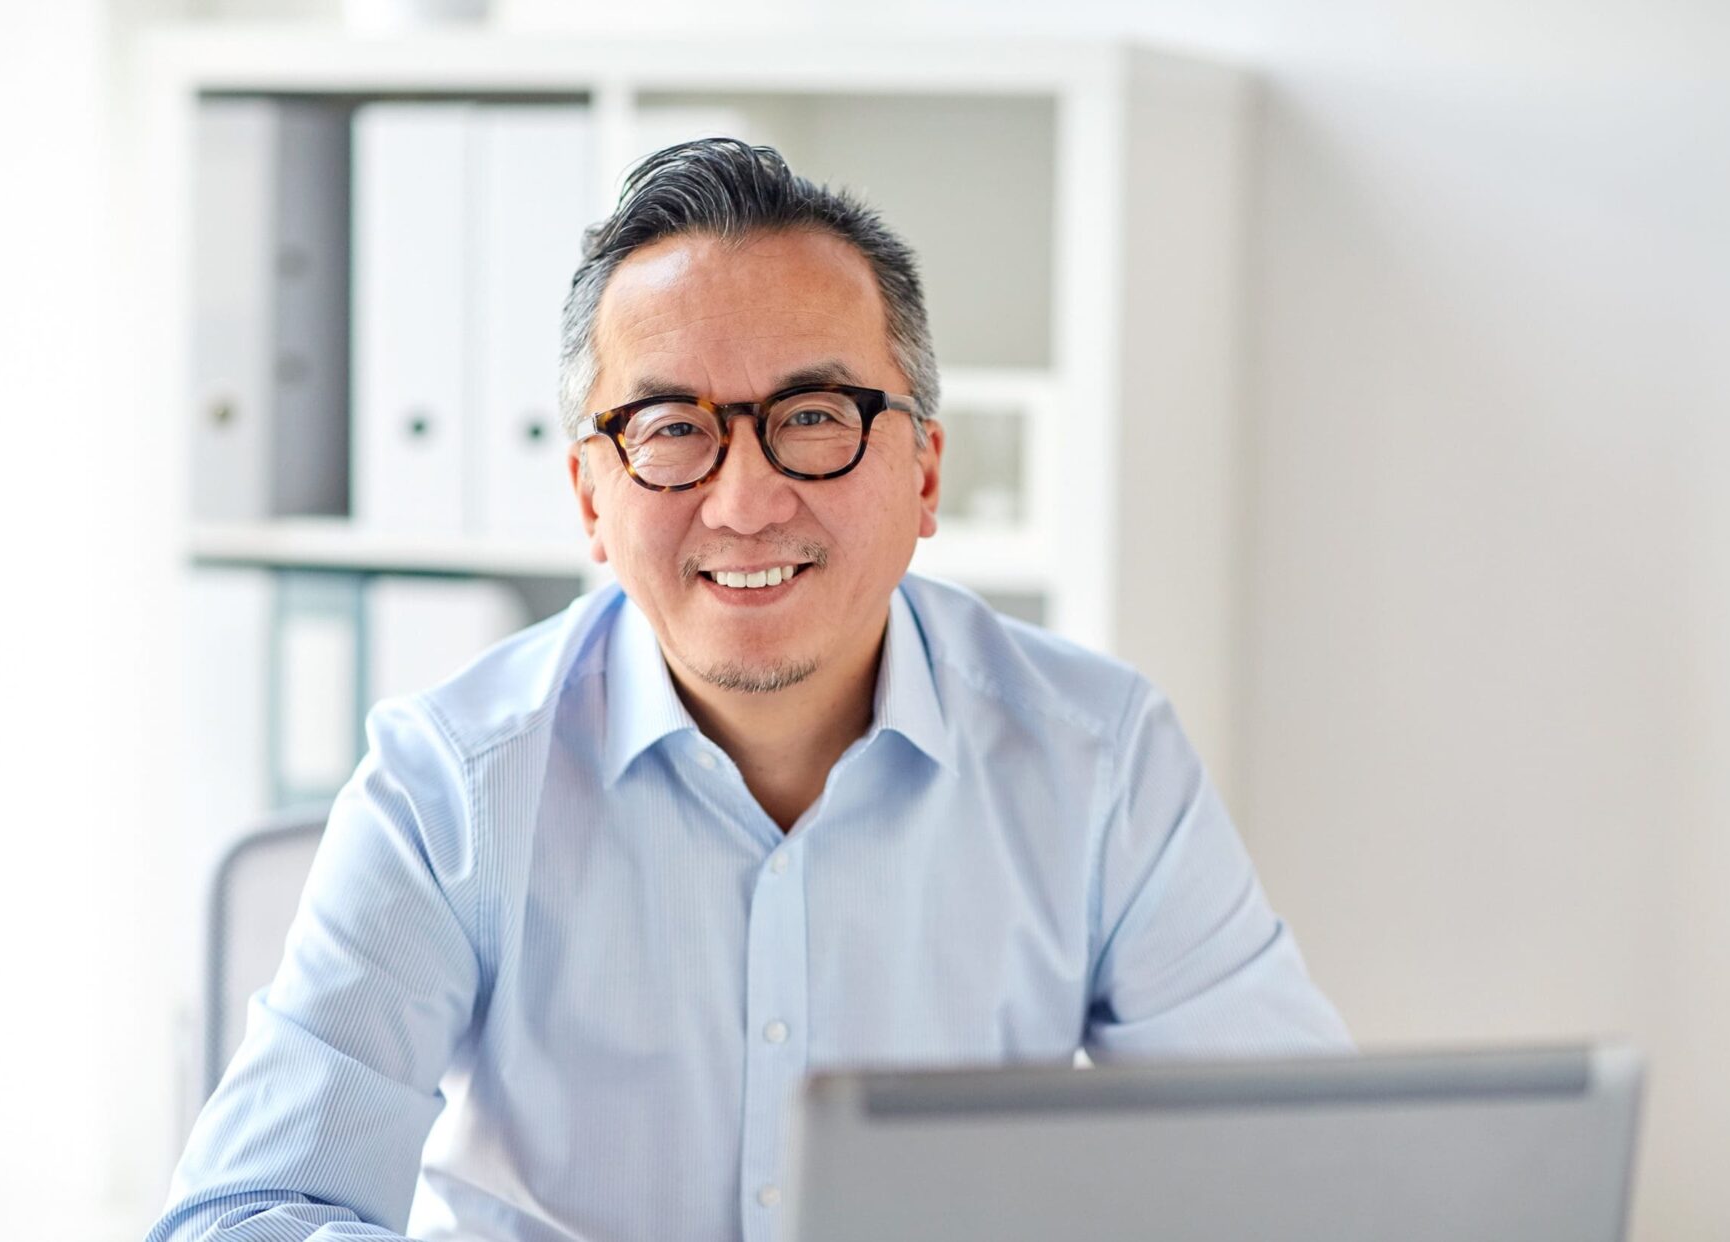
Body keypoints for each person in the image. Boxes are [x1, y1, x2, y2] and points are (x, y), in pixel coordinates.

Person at [148, 138, 1350, 1242]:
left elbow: (1309, 1182)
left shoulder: (1098, 759)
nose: (743, 501)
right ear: (589, 500)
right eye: (672, 428)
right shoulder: (451, 786)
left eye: (814, 417)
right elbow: (244, 1213)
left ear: (925, 473)